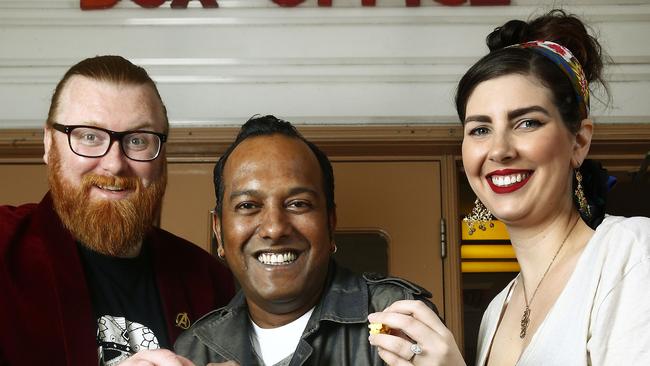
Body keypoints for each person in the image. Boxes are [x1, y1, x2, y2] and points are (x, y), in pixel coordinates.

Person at [367, 9, 650, 366]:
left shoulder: (632, 253)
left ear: (578, 141)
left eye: (527, 122)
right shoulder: (496, 311)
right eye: (480, 130)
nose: (500, 150)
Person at [0, 55, 235, 365]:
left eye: (137, 140)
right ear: (48, 143)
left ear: (161, 156)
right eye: (89, 136)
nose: (114, 164)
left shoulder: (209, 281)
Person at [171, 115, 437, 366]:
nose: (274, 229)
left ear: (330, 223)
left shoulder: (397, 316)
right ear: (219, 232)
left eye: (298, 204)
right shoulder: (194, 350)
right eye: (248, 205)